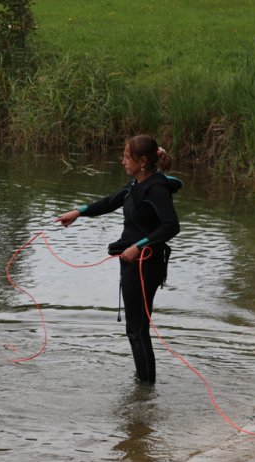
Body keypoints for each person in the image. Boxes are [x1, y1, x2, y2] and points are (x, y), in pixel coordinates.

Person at [54, 135, 182, 383]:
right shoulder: (136, 184)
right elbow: (110, 202)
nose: (122, 161)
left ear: (142, 161)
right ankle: (143, 385)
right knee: (135, 329)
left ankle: (145, 390)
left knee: (137, 330)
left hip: (146, 264)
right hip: (133, 263)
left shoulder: (156, 189)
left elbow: (171, 226)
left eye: (126, 156)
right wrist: (78, 212)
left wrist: (139, 245)